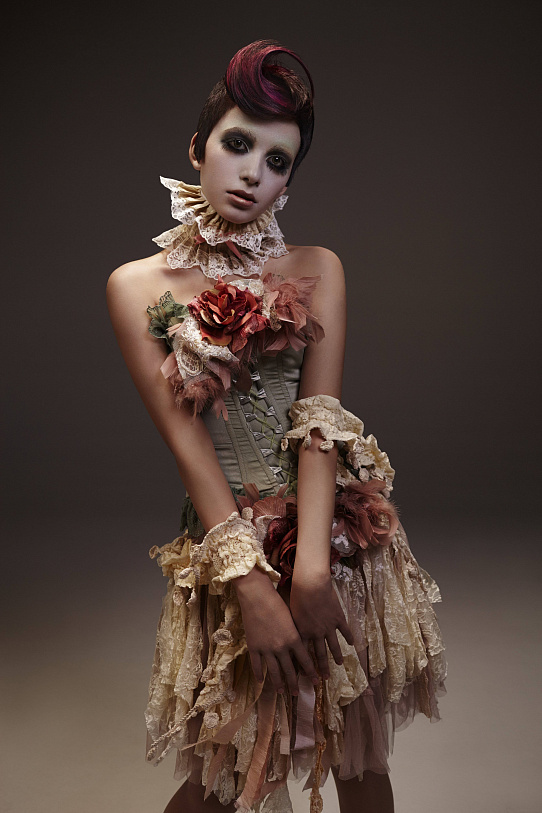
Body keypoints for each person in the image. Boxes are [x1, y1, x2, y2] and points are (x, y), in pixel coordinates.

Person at [107, 40, 446, 813]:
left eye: (277, 160)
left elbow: (319, 423)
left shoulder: (318, 268)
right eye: (237, 144)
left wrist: (314, 571)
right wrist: (252, 584)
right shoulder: (135, 287)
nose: (253, 171)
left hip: (335, 545)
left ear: (289, 181)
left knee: (358, 765)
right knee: (228, 780)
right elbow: (188, 443)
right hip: (231, 554)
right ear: (197, 149)